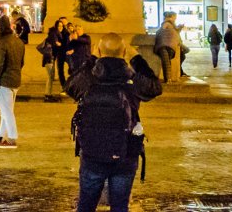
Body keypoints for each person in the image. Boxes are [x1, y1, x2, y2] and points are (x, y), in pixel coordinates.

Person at [67, 32, 162, 212]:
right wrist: (136, 59)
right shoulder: (132, 79)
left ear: (99, 51)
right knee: (120, 206)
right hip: (125, 153)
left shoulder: (90, 79)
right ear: (124, 51)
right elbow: (155, 87)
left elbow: (71, 87)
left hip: (92, 153)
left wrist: (92, 58)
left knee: (85, 205)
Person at [0, 14, 25, 148]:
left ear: (0, 28)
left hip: (5, 81)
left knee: (6, 112)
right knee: (6, 111)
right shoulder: (19, 42)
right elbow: (22, 62)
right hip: (16, 79)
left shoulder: (2, 43)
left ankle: (11, 138)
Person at [153, 13, 182, 82]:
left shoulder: (166, 23)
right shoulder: (172, 25)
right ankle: (168, 78)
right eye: (175, 17)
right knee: (167, 61)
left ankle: (168, 79)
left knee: (166, 62)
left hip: (163, 43)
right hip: (172, 45)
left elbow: (160, 31)